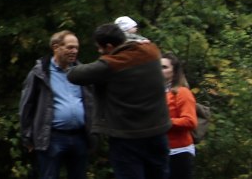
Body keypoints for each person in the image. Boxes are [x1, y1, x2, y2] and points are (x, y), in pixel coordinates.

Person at [67, 24, 168, 179]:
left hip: (127, 137)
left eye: (99, 48)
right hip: (157, 131)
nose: (99, 52)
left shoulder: (112, 64)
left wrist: (102, 60)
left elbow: (74, 75)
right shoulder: (152, 51)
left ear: (108, 46)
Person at [19, 30, 95, 179]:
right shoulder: (40, 73)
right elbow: (26, 105)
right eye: (70, 47)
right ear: (56, 47)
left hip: (80, 136)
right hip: (52, 137)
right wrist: (27, 137)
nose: (74, 51)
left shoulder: (82, 72)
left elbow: (91, 102)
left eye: (76, 48)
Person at [162, 53, 197, 179]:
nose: (160, 70)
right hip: (159, 150)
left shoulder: (182, 92)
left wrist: (164, 122)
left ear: (174, 71)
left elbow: (190, 121)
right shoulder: (156, 93)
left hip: (179, 151)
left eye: (164, 67)